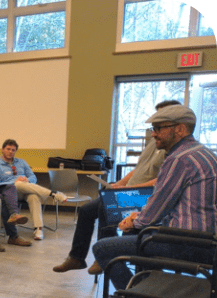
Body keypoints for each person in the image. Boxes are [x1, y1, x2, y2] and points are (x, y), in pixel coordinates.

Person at [92, 104, 217, 298]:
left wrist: (134, 220)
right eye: (153, 128)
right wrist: (140, 218)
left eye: (159, 128)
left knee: (104, 248)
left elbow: (158, 206)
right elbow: (174, 203)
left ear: (180, 129)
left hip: (188, 243)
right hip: (208, 240)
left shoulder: (179, 159)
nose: (154, 134)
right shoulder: (205, 153)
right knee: (140, 235)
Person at [53, 100, 179, 275]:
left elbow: (162, 182)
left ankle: (104, 256)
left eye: (161, 120)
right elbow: (138, 168)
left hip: (145, 195)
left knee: (106, 207)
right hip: (130, 192)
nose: (156, 125)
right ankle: (77, 258)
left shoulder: (173, 148)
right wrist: (120, 184)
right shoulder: (154, 141)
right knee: (86, 210)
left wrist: (128, 189)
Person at [0, 139, 67, 240]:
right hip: (9, 194)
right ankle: (53, 193)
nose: (10, 152)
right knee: (17, 184)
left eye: (13, 150)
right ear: (2, 150)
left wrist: (28, 180)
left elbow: (33, 177)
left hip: (26, 189)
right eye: (8, 149)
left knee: (33, 196)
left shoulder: (22, 162)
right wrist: (14, 182)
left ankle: (38, 229)